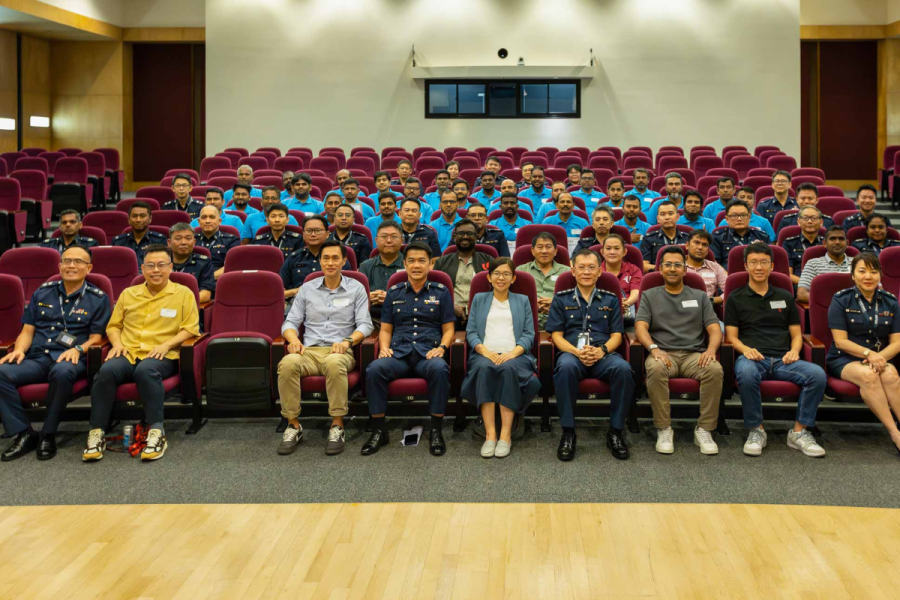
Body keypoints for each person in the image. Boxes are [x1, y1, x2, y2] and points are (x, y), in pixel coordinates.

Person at [82, 245, 200, 462]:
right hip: (128, 352)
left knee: (145, 371)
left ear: (171, 267)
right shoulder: (129, 294)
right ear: (142, 269)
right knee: (105, 372)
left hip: (162, 354)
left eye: (161, 265)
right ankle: (96, 432)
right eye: (151, 266)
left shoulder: (183, 294)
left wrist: (167, 345)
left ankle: (156, 431)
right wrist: (117, 344)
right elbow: (113, 326)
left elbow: (190, 328)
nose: (156, 270)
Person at [0, 246, 111, 461]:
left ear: (89, 268)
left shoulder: (98, 298)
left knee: (62, 372)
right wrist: (19, 350)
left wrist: (78, 349)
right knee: (1, 372)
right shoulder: (43, 292)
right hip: (38, 357)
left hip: (72, 357)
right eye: (67, 261)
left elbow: (97, 338)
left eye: (78, 262)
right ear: (59, 266)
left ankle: (48, 433)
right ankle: (24, 433)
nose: (71, 265)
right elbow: (27, 331)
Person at [727, 244, 827, 457]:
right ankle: (756, 430)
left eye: (764, 262)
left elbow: (797, 334)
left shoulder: (785, 296)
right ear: (746, 266)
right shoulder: (736, 297)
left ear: (772, 266)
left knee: (817, 375)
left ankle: (799, 432)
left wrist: (795, 351)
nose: (759, 267)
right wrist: (746, 350)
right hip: (753, 358)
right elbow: (731, 337)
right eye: (753, 262)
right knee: (745, 373)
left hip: (784, 359)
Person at [276, 240, 373, 456]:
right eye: (326, 258)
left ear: (344, 261)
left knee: (334, 363)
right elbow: (290, 321)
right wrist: (293, 339)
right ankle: (293, 425)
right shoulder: (307, 289)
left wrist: (347, 341)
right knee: (287, 363)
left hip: (339, 350)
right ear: (319, 261)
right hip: (309, 351)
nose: (330, 263)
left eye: (335, 258)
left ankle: (337, 424)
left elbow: (365, 325)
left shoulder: (356, 288)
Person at [362, 242, 455, 456]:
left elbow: (449, 329)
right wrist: (383, 348)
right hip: (399, 354)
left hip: (428, 353)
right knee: (374, 369)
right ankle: (379, 430)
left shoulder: (441, 292)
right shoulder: (394, 292)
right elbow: (386, 329)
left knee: (440, 369)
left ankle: (436, 429)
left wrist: (442, 348)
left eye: (422, 261)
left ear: (430, 264)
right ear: (404, 264)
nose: (416, 265)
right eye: (411, 261)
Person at [546, 249, 634, 461]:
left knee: (623, 369)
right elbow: (556, 336)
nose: (586, 272)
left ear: (599, 271)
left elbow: (617, 335)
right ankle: (568, 432)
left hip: (603, 353)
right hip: (571, 353)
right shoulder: (561, 299)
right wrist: (576, 352)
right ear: (573, 271)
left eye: (591, 267)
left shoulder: (611, 300)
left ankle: (616, 431)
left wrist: (601, 351)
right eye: (581, 267)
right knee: (565, 368)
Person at [635, 246, 723, 455]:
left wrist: (711, 350)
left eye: (677, 265)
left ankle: (704, 429)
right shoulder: (649, 295)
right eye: (668, 265)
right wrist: (654, 349)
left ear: (685, 270)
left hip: (694, 355)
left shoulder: (700, 296)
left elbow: (714, 328)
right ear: (660, 269)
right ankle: (664, 428)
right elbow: (640, 327)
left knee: (714, 369)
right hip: (663, 354)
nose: (672, 269)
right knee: (656, 368)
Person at [464, 257, 541, 458]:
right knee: (484, 367)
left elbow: (529, 334)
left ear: (513, 278)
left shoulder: (522, 300)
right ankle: (490, 435)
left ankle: (506, 435)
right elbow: (471, 332)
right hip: (484, 354)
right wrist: (485, 351)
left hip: (516, 355)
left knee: (508, 368)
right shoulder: (479, 299)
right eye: (496, 273)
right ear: (489, 277)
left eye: (506, 274)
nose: (501, 278)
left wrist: (511, 354)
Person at [827, 252, 900, 453]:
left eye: (873, 272)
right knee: (869, 376)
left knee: (891, 375)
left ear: (880, 275)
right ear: (853, 275)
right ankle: (894, 433)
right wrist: (870, 354)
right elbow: (840, 341)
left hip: (879, 357)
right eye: (862, 271)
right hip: (844, 358)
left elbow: (897, 342)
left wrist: (879, 357)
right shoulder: (841, 299)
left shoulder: (890, 301)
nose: (868, 276)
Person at [432, 219, 492, 326]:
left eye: (469, 233)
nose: (465, 237)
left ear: (477, 237)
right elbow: (434, 291)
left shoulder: (489, 261)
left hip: (483, 313)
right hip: (448, 313)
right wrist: (451, 307)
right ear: (454, 237)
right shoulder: (441, 263)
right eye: (461, 233)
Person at [281, 215, 346, 302]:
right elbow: (279, 290)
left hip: (331, 301)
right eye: (309, 231)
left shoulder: (337, 257)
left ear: (327, 234)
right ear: (303, 234)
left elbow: (348, 286)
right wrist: (295, 291)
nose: (313, 234)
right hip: (298, 301)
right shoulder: (294, 257)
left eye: (318, 231)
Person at [516, 233, 571, 330]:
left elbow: (574, 297)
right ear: (533, 251)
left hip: (560, 318)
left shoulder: (567, 272)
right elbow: (513, 297)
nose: (544, 251)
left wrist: (555, 302)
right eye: (540, 247)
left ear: (555, 251)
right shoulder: (521, 271)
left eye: (548, 247)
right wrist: (532, 304)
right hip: (528, 318)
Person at [358, 221, 405, 324]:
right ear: (376, 240)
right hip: (370, 320)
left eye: (394, 237)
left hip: (402, 319)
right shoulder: (365, 266)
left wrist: (391, 298)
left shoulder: (409, 266)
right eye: (384, 236)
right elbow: (357, 296)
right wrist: (368, 296)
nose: (389, 240)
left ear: (402, 240)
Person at [797, 226, 852, 303]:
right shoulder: (813, 264)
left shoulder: (858, 263)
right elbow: (801, 294)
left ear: (847, 243)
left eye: (841, 239)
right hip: (824, 307)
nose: (837, 242)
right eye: (832, 239)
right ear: (824, 243)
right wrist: (835, 303)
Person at [711, 200, 770, 266]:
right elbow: (715, 265)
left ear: (749, 217)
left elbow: (769, 262)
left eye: (743, 215)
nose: (739, 219)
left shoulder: (762, 236)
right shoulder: (717, 238)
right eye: (734, 215)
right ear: (727, 219)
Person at [168, 223, 215, 303]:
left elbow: (206, 294)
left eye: (188, 238)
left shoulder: (203, 263)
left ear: (194, 242)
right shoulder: (161, 263)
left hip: (190, 307)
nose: (183, 242)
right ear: (169, 243)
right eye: (178, 238)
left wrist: (180, 303)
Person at [599, 234, 641, 321]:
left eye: (617, 248)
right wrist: (615, 305)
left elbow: (636, 293)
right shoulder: (596, 271)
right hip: (601, 315)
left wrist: (625, 304)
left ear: (624, 252)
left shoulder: (634, 270)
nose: (612, 252)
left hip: (628, 315)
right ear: (602, 252)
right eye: (608, 248)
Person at [640, 201, 690, 272]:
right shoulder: (649, 238)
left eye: (670, 213)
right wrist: (665, 269)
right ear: (658, 219)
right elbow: (644, 265)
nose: (667, 217)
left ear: (677, 217)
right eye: (663, 214)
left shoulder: (687, 238)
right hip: (658, 275)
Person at [684, 229, 727, 306]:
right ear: (687, 245)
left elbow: (729, 290)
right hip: (681, 307)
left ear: (708, 250)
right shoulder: (677, 266)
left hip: (707, 308)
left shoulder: (715, 267)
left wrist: (711, 300)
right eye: (696, 243)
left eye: (704, 245)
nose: (700, 247)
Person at [195, 205, 239, 279]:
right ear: (199, 221)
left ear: (219, 221)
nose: (207, 221)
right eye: (204, 217)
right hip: (194, 280)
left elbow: (232, 265)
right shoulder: (192, 240)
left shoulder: (232, 240)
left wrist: (207, 279)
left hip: (220, 280)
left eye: (212, 217)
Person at [783, 206, 825, 285]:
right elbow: (788, 274)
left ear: (821, 222)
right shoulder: (789, 243)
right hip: (798, 284)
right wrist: (808, 284)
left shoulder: (826, 243)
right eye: (805, 218)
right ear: (798, 222)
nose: (809, 221)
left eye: (814, 218)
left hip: (824, 283)